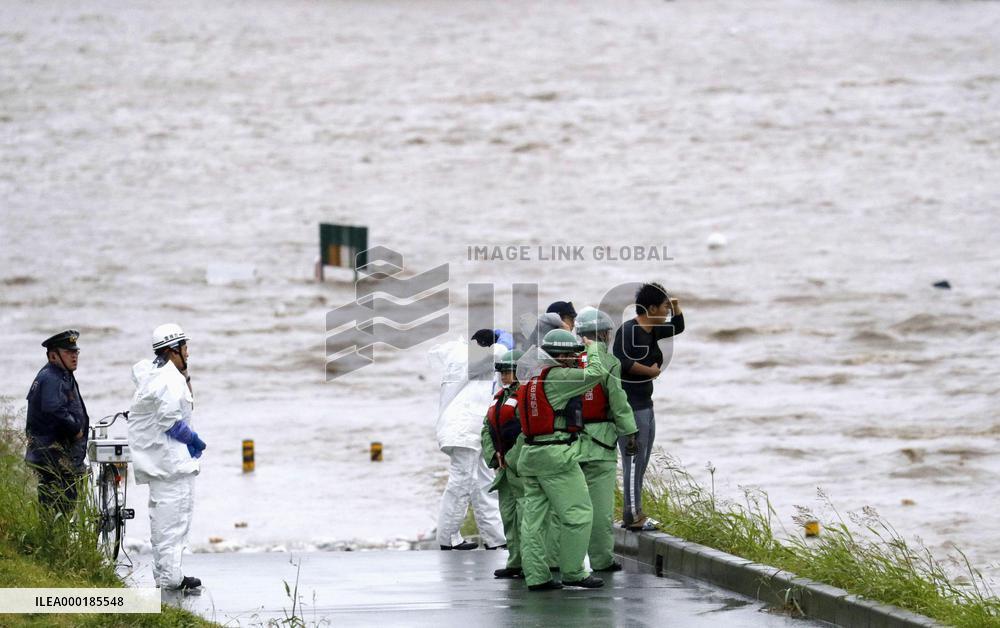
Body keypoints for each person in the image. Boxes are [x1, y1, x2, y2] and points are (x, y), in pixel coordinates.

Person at [515, 328, 615, 591]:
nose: (574, 358)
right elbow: (596, 374)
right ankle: (574, 572)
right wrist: (593, 348)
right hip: (556, 456)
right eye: (571, 355)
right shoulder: (559, 376)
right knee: (579, 513)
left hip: (530, 455)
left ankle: (537, 576)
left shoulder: (530, 377)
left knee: (534, 520)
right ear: (559, 356)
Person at [128, 324, 206, 591]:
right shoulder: (168, 380)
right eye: (185, 347)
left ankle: (167, 574)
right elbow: (171, 422)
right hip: (170, 464)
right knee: (173, 522)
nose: (188, 352)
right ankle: (170, 578)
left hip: (162, 463)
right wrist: (194, 440)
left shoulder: (157, 373)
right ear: (173, 350)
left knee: (167, 521)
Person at [612, 283, 685, 530]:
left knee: (641, 462)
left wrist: (674, 304)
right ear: (651, 307)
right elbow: (621, 363)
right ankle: (633, 518)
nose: (666, 312)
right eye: (664, 307)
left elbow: (679, 326)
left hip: (646, 404)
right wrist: (651, 371)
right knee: (633, 461)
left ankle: (635, 513)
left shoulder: (652, 329)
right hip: (630, 406)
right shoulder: (629, 330)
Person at [574, 308, 638, 571]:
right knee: (600, 509)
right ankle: (601, 560)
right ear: (602, 334)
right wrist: (630, 433)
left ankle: (558, 560)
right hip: (601, 445)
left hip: (569, 444)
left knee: (569, 509)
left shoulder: (569, 362)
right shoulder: (609, 363)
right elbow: (618, 403)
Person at [428, 335, 505, 551]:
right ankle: (447, 538)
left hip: (470, 430)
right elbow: (500, 354)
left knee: (484, 482)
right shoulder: (472, 358)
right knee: (461, 482)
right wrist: (503, 343)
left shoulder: (461, 358)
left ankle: (495, 538)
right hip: (463, 430)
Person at [25, 330, 90, 515]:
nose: (74, 356)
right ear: (53, 355)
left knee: (60, 509)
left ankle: (55, 542)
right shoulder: (52, 377)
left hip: (54, 457)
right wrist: (75, 429)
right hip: (53, 458)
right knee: (57, 509)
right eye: (69, 352)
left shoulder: (60, 373)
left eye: (76, 352)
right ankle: (53, 543)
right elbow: (54, 410)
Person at [481, 349, 525, 578]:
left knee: (525, 517)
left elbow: (527, 432)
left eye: (508, 371)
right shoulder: (500, 398)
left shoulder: (525, 395)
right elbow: (486, 429)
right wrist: (494, 455)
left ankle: (531, 562)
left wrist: (510, 458)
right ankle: (515, 561)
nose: (504, 375)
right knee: (508, 516)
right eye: (502, 371)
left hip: (519, 468)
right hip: (503, 468)